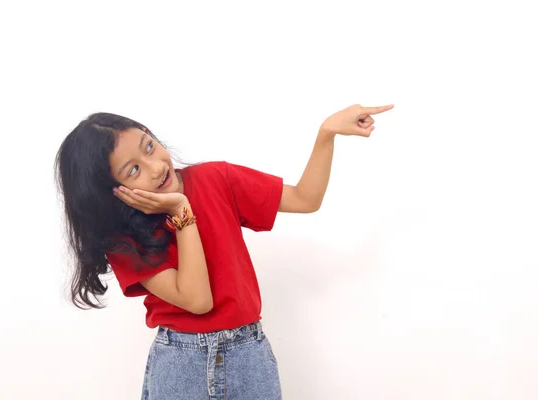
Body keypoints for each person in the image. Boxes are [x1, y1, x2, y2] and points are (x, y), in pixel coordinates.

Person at [55, 103, 394, 400]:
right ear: (114, 193)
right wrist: (182, 213)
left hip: (250, 357)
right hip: (181, 365)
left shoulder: (216, 178)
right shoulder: (122, 240)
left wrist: (326, 133)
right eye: (134, 170)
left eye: (149, 146)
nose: (156, 166)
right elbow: (198, 299)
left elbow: (306, 199)